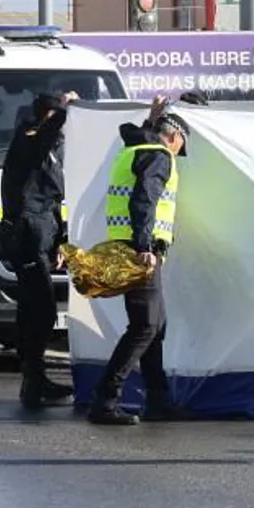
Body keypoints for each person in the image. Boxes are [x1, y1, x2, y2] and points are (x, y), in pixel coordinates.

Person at [88, 105, 190, 426]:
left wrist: (150, 115)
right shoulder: (159, 156)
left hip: (131, 246)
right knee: (145, 325)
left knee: (155, 326)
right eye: (180, 145)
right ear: (173, 137)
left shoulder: (134, 147)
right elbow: (143, 199)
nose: (178, 152)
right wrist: (144, 245)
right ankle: (105, 398)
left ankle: (158, 400)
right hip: (138, 249)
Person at [0, 91, 79, 409]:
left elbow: (53, 198)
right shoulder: (29, 137)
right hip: (27, 235)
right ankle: (33, 379)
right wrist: (65, 111)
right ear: (47, 116)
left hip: (43, 234)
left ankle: (34, 380)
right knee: (41, 310)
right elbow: (41, 141)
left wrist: (60, 239)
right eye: (58, 120)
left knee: (35, 310)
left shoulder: (53, 148)